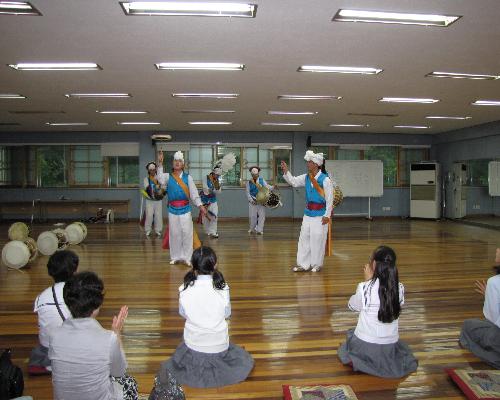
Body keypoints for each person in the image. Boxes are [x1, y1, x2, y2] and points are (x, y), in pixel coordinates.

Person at [160, 246, 254, 388]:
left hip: (193, 344)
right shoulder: (223, 287)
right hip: (219, 345)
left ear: (192, 265)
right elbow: (227, 314)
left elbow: (183, 314)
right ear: (215, 265)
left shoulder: (184, 288)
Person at [48, 271, 137, 400]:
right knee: (130, 383)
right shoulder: (108, 339)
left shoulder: (54, 335)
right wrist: (116, 333)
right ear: (98, 304)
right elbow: (119, 372)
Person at [338, 246, 418, 378]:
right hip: (390, 346)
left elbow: (352, 306)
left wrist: (368, 281)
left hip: (366, 346)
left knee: (351, 336)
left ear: (374, 264)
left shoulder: (365, 287)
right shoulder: (399, 288)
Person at [281, 150, 334, 272]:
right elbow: (293, 181)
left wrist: (327, 215)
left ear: (316, 164)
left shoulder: (325, 180)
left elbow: (330, 199)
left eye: (310, 162)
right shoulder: (306, 177)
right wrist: (286, 172)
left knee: (317, 239)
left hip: (320, 215)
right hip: (308, 214)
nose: (308, 164)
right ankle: (303, 264)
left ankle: (316, 264)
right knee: (304, 238)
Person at [28, 250, 78, 376]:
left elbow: (42, 325)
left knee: (39, 349)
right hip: (73, 347)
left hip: (48, 347)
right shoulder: (79, 293)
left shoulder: (41, 296)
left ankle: (48, 364)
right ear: (74, 271)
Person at [157, 150, 207, 265]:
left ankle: (187, 257)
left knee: (187, 232)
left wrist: (201, 206)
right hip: (172, 209)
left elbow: (194, 194)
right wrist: (160, 164)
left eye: (180, 161)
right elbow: (159, 178)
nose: (177, 163)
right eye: (175, 161)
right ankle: (175, 256)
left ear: (183, 164)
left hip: (185, 209)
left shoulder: (187, 178)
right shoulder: (168, 177)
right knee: (174, 233)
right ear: (173, 163)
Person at [459, 247, 500, 368]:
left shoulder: (494, 282)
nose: (497, 249)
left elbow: (492, 318)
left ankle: (494, 359)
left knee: (468, 326)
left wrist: (489, 297)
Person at [246, 166, 273, 235]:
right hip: (253, 201)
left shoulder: (262, 180)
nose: (255, 175)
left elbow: (267, 187)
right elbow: (247, 192)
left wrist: (273, 187)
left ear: (258, 174)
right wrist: (251, 200)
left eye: (256, 174)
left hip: (261, 200)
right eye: (253, 175)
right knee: (252, 216)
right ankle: (252, 228)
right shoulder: (249, 182)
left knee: (261, 216)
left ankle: (259, 230)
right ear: (251, 175)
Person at [143, 161, 166, 237]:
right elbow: (147, 188)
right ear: (148, 171)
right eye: (151, 170)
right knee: (149, 215)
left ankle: (158, 230)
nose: (152, 171)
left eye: (153, 169)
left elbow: (163, 186)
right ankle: (148, 230)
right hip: (149, 200)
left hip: (158, 200)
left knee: (158, 215)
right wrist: (154, 190)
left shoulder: (159, 178)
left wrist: (162, 192)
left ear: (155, 170)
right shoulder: (146, 179)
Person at [200, 167, 222, 238]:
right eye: (217, 175)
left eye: (219, 175)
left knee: (215, 215)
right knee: (205, 217)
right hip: (205, 201)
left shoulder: (217, 180)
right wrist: (212, 189)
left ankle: (213, 232)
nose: (218, 176)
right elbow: (205, 188)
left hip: (213, 201)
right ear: (213, 173)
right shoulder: (206, 178)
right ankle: (207, 230)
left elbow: (219, 191)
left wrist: (216, 189)